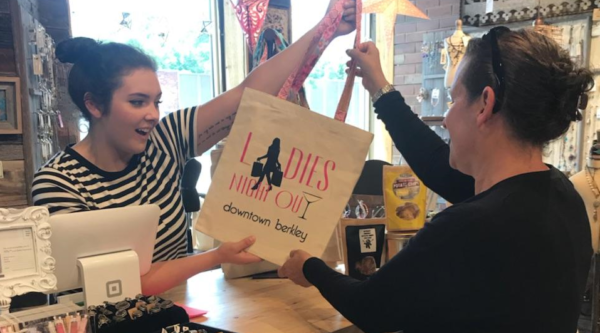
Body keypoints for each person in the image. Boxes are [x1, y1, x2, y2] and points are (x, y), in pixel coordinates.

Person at [279, 27, 594, 333]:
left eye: (453, 99)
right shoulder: (561, 194)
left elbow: (372, 308)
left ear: (485, 104)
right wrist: (379, 88)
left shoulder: (471, 225)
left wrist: (310, 268)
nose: (445, 118)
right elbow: (436, 165)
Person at [31, 0, 357, 296]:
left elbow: (249, 94)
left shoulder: (164, 140)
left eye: (156, 102)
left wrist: (323, 30)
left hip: (178, 314)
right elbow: (114, 285)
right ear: (95, 105)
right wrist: (215, 257)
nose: (153, 114)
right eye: (137, 102)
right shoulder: (59, 183)